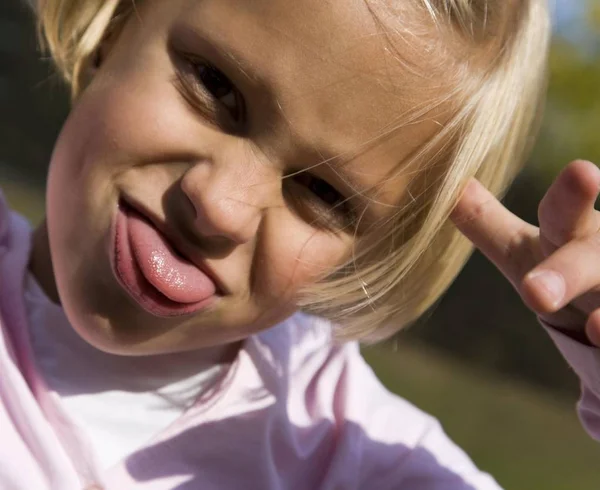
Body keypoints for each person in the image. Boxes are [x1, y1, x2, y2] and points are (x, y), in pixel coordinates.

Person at [1, 0, 598, 488]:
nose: (219, 206)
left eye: (323, 193)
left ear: (375, 252)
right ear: (120, 21)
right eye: (214, 86)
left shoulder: (355, 460)